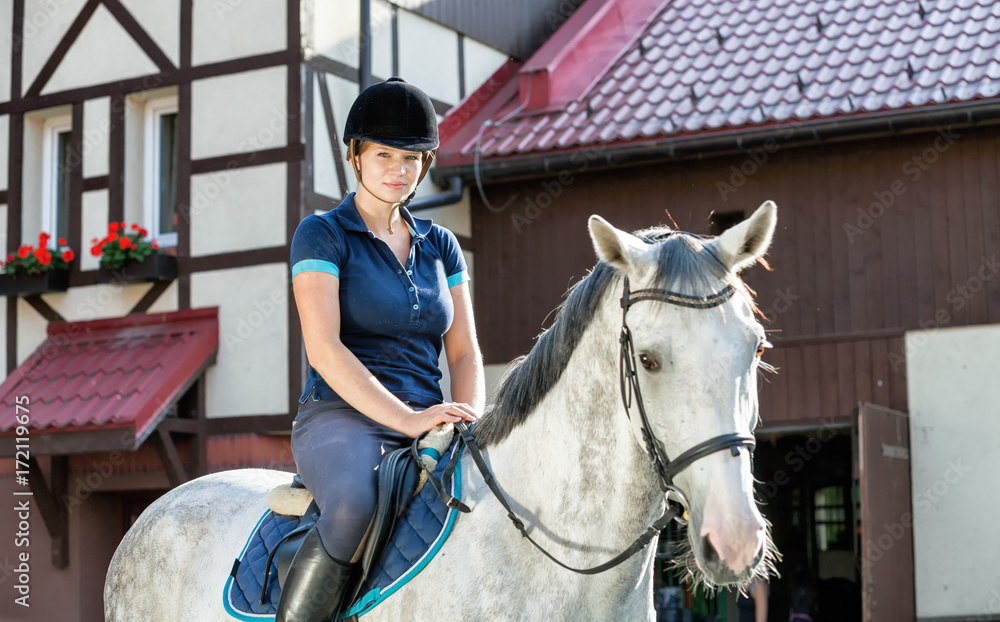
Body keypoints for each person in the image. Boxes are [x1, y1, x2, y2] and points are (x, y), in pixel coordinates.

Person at [277, 77, 485, 622]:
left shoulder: (441, 245)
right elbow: (323, 348)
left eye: (412, 157)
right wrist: (408, 419)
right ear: (357, 157)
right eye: (384, 154)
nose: (399, 168)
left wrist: (469, 420)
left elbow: (464, 352)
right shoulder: (321, 234)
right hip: (340, 418)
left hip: (433, 417)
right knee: (353, 506)